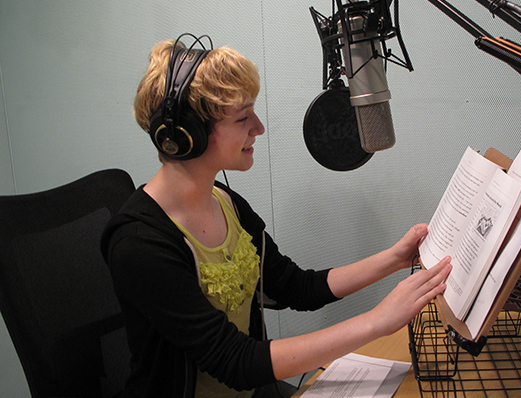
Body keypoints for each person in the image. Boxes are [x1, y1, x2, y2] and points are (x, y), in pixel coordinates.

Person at [101, 35, 452, 398]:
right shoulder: (139, 244)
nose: (258, 127)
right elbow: (235, 361)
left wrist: (393, 259)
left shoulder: (226, 203)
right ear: (188, 135)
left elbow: (295, 287)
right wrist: (376, 322)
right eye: (242, 118)